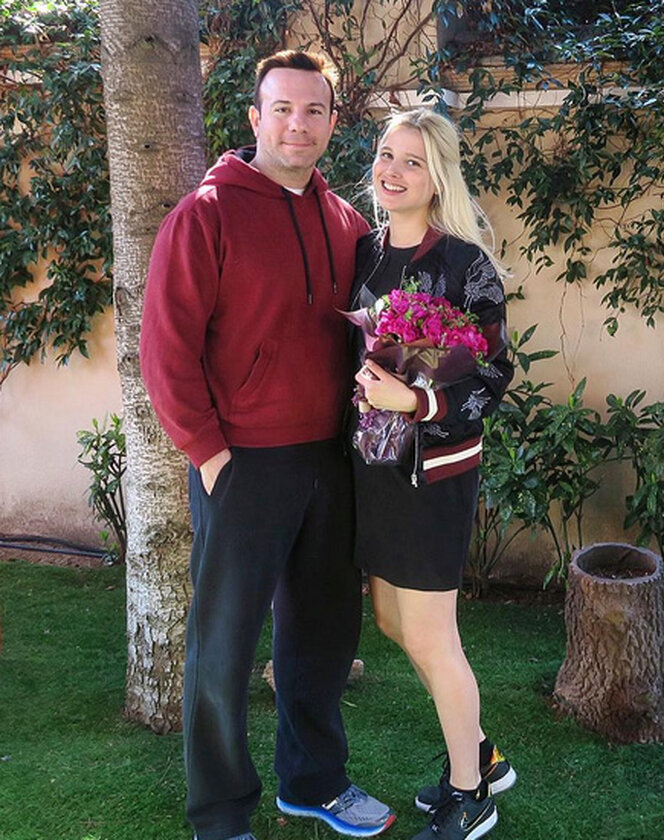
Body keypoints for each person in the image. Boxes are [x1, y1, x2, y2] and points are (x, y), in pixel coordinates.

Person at [140, 50, 395, 840]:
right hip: (242, 464)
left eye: (314, 110)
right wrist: (211, 456)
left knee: (322, 636)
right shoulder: (206, 214)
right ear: (255, 118)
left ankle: (313, 783)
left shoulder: (348, 225)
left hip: (331, 463)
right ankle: (220, 815)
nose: (298, 124)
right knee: (223, 645)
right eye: (282, 109)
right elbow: (166, 352)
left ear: (332, 122)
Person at [349, 108, 517, 840]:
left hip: (433, 474)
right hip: (373, 468)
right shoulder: (363, 253)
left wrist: (417, 401)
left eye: (412, 161)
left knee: (430, 634)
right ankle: (481, 753)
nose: (393, 171)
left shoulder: (463, 265)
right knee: (393, 621)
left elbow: (492, 374)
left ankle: (470, 795)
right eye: (387, 154)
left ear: (438, 175)